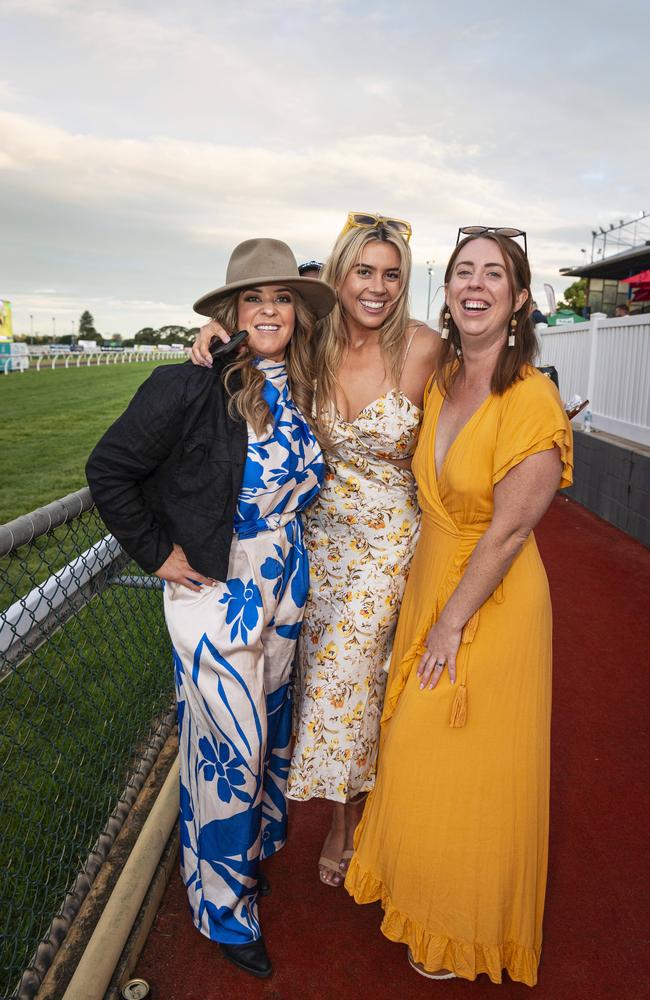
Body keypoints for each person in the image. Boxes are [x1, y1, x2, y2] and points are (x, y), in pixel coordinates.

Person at [86, 238, 336, 979]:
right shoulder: (189, 384)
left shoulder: (299, 387)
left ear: (296, 314)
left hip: (283, 582)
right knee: (231, 748)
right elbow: (110, 470)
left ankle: (243, 855)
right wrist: (157, 553)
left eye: (282, 298)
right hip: (213, 590)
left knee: (269, 733)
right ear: (230, 311)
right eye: (253, 298)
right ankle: (222, 913)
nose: (269, 309)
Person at [345, 227, 573, 987]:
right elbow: (346, 329)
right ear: (447, 293)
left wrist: (451, 621)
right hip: (430, 580)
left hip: (491, 600)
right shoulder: (441, 376)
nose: (475, 285)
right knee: (412, 755)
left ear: (519, 298)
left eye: (494, 275)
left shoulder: (531, 399)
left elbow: (509, 532)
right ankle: (421, 892)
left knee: (463, 760)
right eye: (462, 273)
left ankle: (461, 927)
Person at [191, 213, 440, 886]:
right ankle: (360, 802)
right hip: (316, 543)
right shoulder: (314, 344)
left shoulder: (425, 348)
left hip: (391, 542)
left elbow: (478, 395)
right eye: (365, 271)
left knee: (347, 673)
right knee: (334, 682)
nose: (378, 287)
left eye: (392, 274)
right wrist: (209, 333)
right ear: (338, 275)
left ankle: (345, 823)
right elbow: (255, 332)